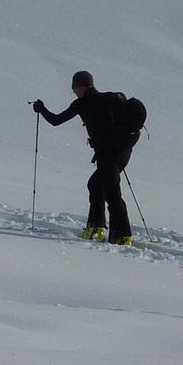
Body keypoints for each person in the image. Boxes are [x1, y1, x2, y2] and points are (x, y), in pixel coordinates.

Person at [32, 70, 136, 246]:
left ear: (80, 87)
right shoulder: (110, 98)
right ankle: (96, 227)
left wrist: (41, 109)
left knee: (112, 194)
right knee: (96, 185)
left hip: (107, 153)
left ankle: (122, 236)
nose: (74, 92)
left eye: (74, 89)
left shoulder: (82, 103)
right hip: (123, 150)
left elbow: (56, 120)